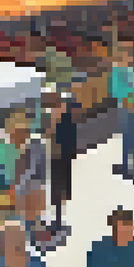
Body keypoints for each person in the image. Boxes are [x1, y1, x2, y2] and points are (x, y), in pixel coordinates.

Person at [109, 43, 134, 180]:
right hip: (130, 107)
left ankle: (133, 166)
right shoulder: (119, 72)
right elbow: (119, 91)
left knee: (133, 136)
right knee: (130, 136)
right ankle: (130, 167)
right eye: (127, 56)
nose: (129, 58)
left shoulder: (128, 71)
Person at [49, 94, 78, 237]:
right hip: (58, 160)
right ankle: (57, 221)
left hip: (61, 160)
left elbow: (68, 142)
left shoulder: (65, 122)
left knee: (59, 192)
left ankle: (58, 223)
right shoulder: (65, 121)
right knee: (57, 193)